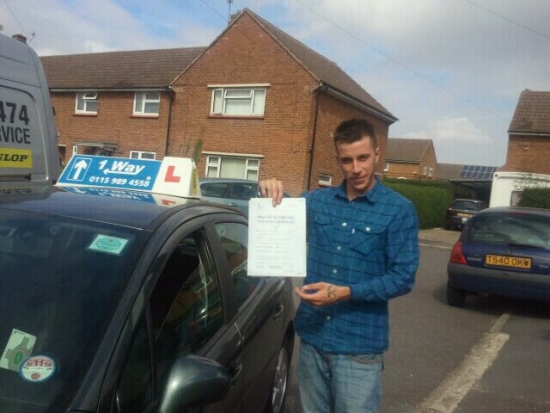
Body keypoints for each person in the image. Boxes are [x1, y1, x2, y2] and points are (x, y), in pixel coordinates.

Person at [259, 118, 419, 413]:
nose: (356, 168)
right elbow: (276, 214)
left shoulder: (399, 210)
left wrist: (343, 292)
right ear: (338, 160)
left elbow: (403, 277)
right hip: (313, 340)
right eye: (347, 160)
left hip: (359, 348)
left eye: (363, 158)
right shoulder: (317, 201)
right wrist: (268, 190)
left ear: (377, 154)